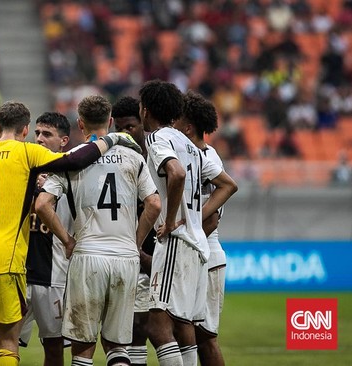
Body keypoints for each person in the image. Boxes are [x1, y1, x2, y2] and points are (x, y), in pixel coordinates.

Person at [0, 101, 139, 366]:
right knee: (6, 344)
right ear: (26, 130)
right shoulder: (27, 153)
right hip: (7, 260)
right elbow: (76, 159)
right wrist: (113, 138)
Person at [35, 95, 160, 366]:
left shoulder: (72, 160)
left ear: (80, 124)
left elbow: (43, 204)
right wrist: (135, 242)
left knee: (83, 348)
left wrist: (67, 240)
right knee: (117, 346)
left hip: (88, 255)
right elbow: (154, 203)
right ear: (111, 122)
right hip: (125, 258)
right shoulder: (133, 156)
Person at [139, 80, 237, 366]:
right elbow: (228, 185)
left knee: (158, 326)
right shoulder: (193, 147)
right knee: (185, 327)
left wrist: (170, 222)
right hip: (197, 245)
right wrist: (193, 218)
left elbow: (176, 173)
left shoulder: (159, 138)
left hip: (177, 243)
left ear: (146, 110)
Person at [173, 90, 237, 366]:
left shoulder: (207, 158)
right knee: (185, 332)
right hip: (199, 256)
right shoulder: (191, 155)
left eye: (176, 121)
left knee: (205, 338)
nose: (171, 126)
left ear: (188, 127)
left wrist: (191, 222)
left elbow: (212, 221)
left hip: (207, 257)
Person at [23, 111, 72, 366]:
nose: (39, 139)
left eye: (47, 134)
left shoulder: (70, 173)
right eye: (37, 133)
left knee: (54, 348)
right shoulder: (23, 168)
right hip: (18, 273)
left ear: (63, 140)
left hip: (53, 276)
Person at [111, 95, 157, 366]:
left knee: (168, 329)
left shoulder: (158, 157)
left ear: (142, 124)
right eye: (119, 129)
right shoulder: (117, 160)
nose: (124, 134)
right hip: (132, 254)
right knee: (136, 328)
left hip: (158, 248)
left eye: (130, 127)